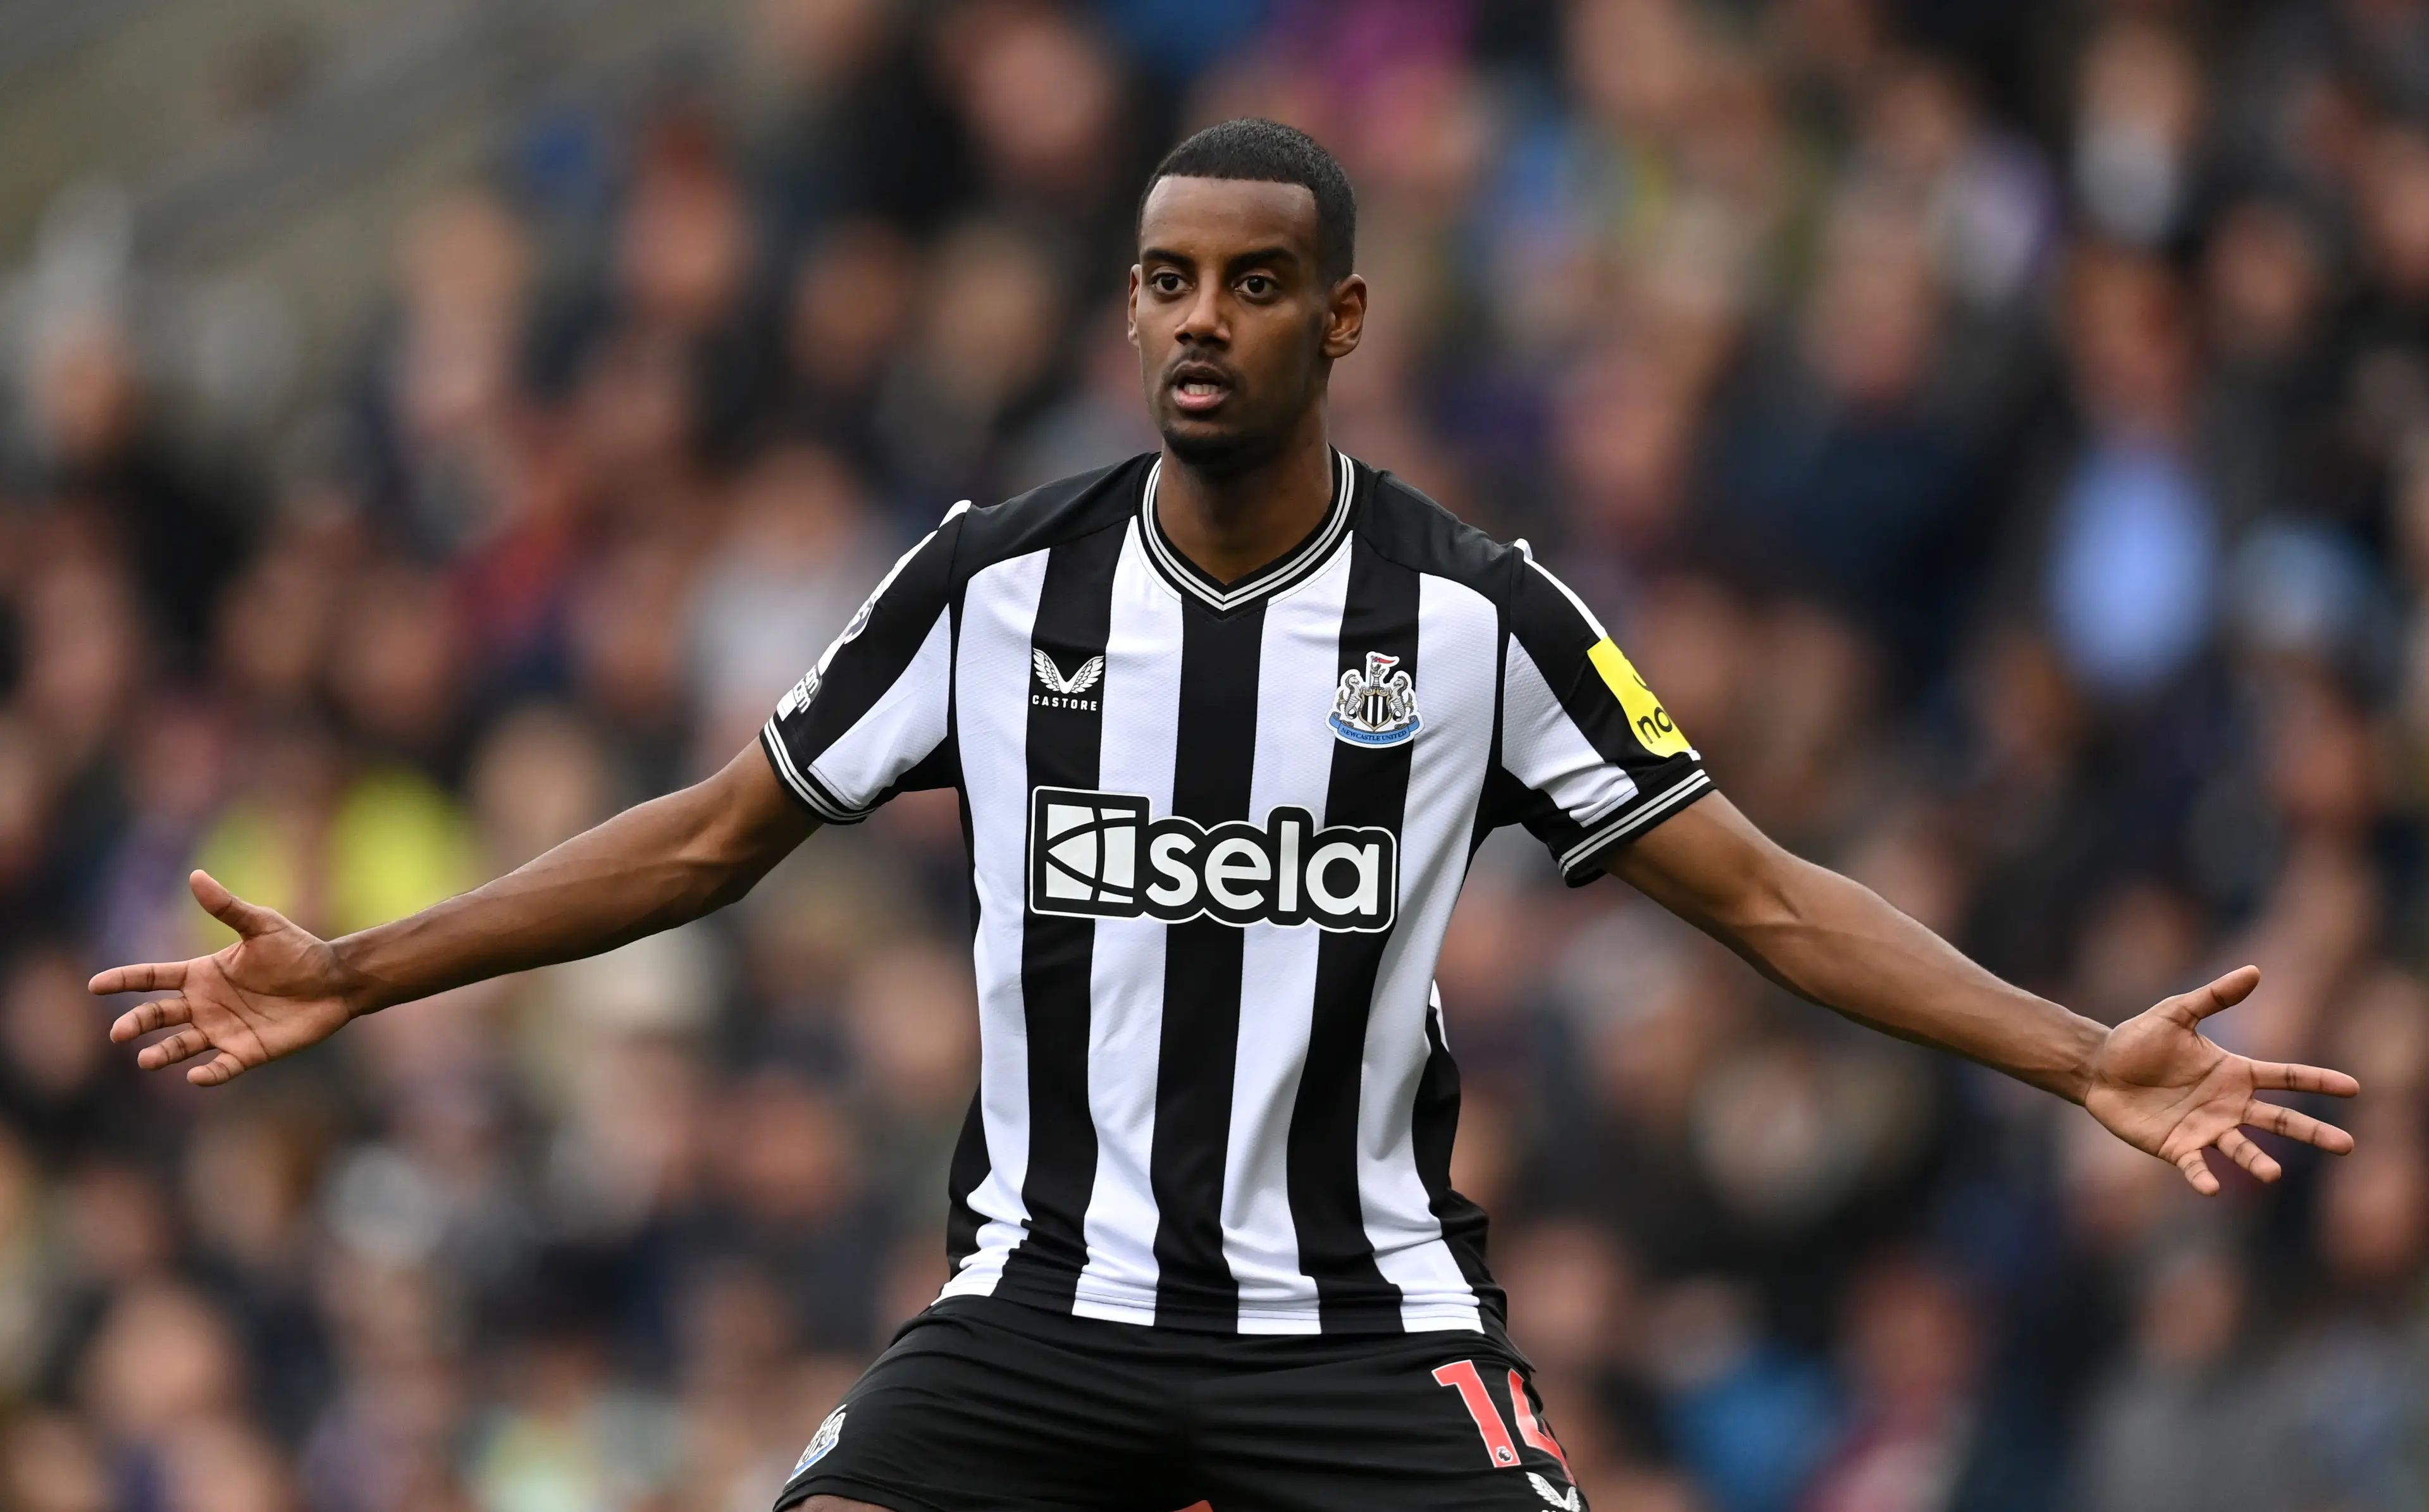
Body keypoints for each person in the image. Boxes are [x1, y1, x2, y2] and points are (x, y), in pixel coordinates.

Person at [91, 120, 2359, 1512]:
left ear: (1342, 312)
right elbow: (706, 837)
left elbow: (1762, 897)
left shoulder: (1476, 617)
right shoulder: (992, 585)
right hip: (1039, 1304)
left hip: (1355, 1319)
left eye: (1254, 282)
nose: (1202, 319)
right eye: (1169, 277)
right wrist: (363, 970)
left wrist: (2081, 1054)